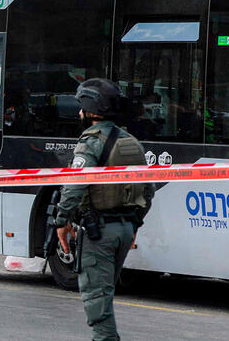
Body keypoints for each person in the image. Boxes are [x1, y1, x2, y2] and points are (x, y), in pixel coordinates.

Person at [54, 78, 154, 341]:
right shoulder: (131, 142)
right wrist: (135, 223)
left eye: (82, 107)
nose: (79, 113)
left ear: (91, 109)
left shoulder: (91, 141)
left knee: (97, 300)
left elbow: (75, 185)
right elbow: (148, 190)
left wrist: (62, 221)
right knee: (105, 293)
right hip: (124, 229)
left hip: (99, 231)